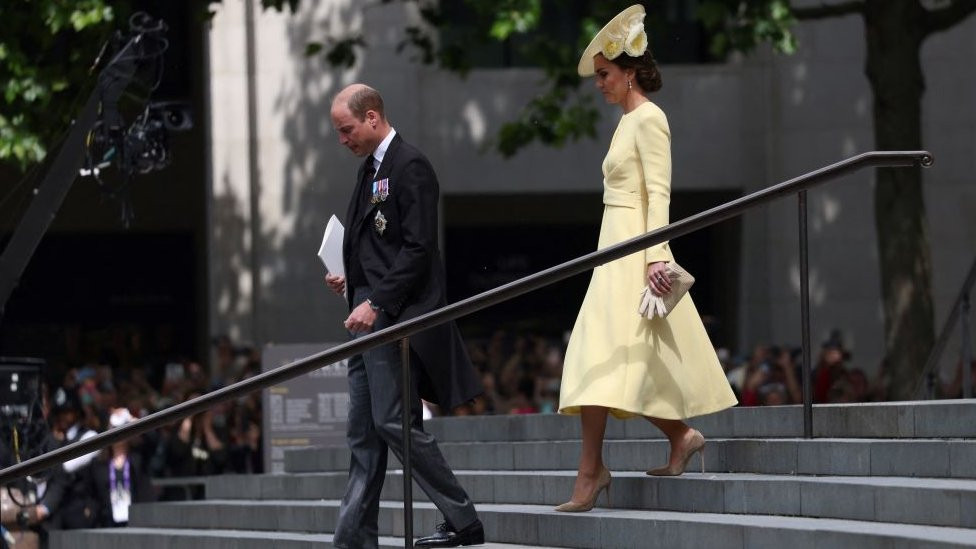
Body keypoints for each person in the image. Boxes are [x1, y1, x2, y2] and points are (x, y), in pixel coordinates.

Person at [556, 5, 738, 512]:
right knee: (614, 358)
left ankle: (593, 471)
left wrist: (656, 255)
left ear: (629, 72)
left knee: (607, 356)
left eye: (604, 74)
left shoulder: (650, 119)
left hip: (634, 249)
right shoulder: (627, 122)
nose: (599, 84)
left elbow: (658, 193)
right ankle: (678, 437)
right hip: (615, 247)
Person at [325, 83, 484, 548]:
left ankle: (463, 519)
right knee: (363, 433)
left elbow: (419, 248)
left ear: (372, 117)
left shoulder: (409, 165)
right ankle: (353, 540)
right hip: (368, 312)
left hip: (392, 318)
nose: (343, 140)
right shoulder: (370, 169)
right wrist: (350, 279)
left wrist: (375, 301)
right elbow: (378, 246)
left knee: (393, 422)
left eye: (347, 130)